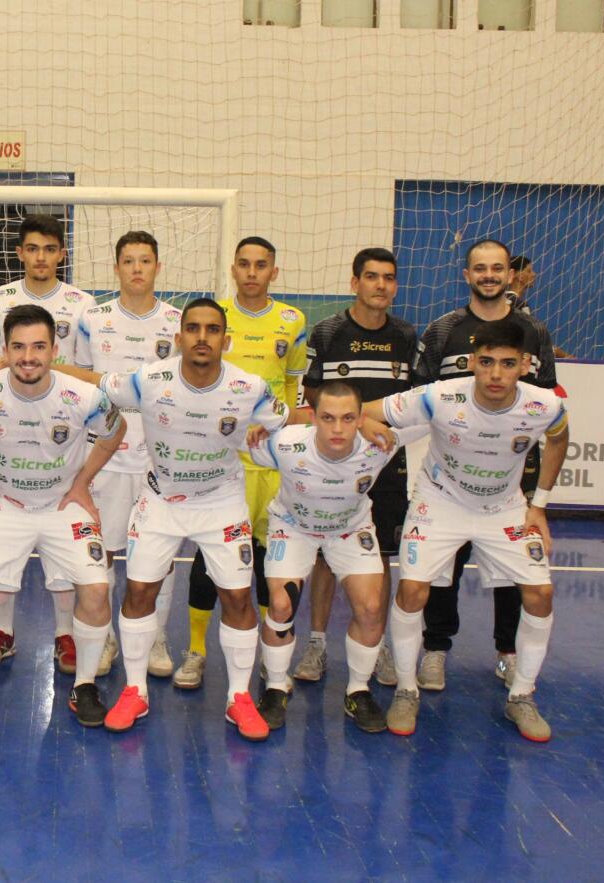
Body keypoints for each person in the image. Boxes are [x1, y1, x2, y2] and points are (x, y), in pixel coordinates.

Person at [63, 299, 294, 738]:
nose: (202, 337)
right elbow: (94, 380)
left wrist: (360, 421)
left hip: (221, 503)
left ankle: (239, 697)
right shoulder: (150, 379)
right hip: (161, 502)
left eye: (212, 330)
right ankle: (135, 690)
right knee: (139, 591)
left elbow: (289, 422)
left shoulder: (249, 387)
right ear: (179, 336)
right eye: (193, 328)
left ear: (226, 340)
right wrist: (37, 366)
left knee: (238, 598)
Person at [366, 319, 569, 742]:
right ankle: (406, 690)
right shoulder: (440, 396)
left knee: (541, 594)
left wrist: (540, 505)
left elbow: (559, 438)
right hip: (439, 502)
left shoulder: (544, 405)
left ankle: (521, 695)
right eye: (487, 362)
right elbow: (365, 410)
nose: (496, 374)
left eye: (508, 364)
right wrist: (366, 424)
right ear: (473, 362)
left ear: (525, 365)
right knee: (412, 590)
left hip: (504, 508)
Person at [0, 304, 125, 726]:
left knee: (97, 589)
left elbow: (116, 431)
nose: (28, 357)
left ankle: (84, 685)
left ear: (54, 350)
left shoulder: (84, 396)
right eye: (19, 347)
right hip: (3, 503)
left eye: (39, 347)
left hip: (61, 505)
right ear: (4, 350)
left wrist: (83, 482)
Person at [412, 239, 558, 692]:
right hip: (450, 476)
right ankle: (436, 649)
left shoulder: (534, 331)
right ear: (467, 275)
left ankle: (508, 654)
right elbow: (419, 397)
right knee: (443, 566)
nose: (489, 275)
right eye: (480, 268)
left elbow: (548, 400)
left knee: (517, 571)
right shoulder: (442, 330)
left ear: (510, 275)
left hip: (513, 473)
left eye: (497, 268)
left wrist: (538, 498)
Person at [248, 381, 421, 733]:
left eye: (348, 418)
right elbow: (226, 429)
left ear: (360, 418)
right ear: (313, 418)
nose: (338, 429)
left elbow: (434, 416)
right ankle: (276, 687)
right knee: (280, 605)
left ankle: (358, 690)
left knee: (371, 607)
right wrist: (263, 424)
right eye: (328, 418)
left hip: (349, 529)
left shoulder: (381, 444)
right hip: (293, 527)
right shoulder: (284, 444)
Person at [177, 237, 307, 691]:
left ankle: (273, 654)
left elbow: (291, 389)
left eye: (261, 265)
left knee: (273, 561)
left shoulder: (293, 321)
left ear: (274, 271)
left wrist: (285, 438)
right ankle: (196, 650)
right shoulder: (214, 320)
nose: (252, 272)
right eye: (245, 264)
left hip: (271, 462)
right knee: (209, 558)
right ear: (233, 269)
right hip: (224, 461)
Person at [290, 248, 417, 686]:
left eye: (389, 277)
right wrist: (357, 423)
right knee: (326, 554)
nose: (381, 285)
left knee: (378, 554)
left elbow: (413, 400)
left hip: (386, 464)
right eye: (372, 276)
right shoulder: (328, 332)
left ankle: (375, 642)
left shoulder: (406, 336)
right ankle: (317, 643)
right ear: (354, 282)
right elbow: (312, 396)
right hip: (333, 461)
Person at [0, 213, 98, 676]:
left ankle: (65, 633)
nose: (41, 258)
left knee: (61, 543)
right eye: (32, 249)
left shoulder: (82, 303)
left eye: (50, 249)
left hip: (60, 427)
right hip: (10, 423)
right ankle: (3, 631)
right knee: (6, 540)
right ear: (19, 253)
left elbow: (87, 372)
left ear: (62, 254)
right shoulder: (0, 298)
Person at [72, 231, 181, 678]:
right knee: (103, 551)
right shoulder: (93, 319)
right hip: (106, 456)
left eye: (145, 260)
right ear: (116, 268)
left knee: (161, 555)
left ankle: (155, 636)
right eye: (129, 261)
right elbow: (80, 383)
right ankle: (105, 637)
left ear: (157, 267)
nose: (137, 268)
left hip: (159, 459)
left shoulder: (177, 321)